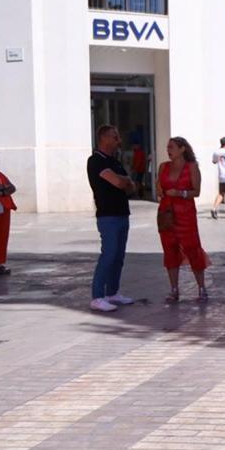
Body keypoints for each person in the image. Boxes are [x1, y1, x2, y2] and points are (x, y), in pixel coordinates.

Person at [87, 125, 136, 312]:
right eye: (115, 137)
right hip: (108, 215)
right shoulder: (96, 160)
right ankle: (97, 296)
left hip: (122, 213)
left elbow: (130, 186)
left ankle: (112, 292)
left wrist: (124, 181)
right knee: (108, 254)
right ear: (104, 138)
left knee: (118, 256)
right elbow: (118, 181)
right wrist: (124, 180)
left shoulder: (115, 161)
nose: (119, 140)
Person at [156, 137, 210, 302]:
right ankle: (174, 289)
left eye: (171, 147)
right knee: (169, 250)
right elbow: (159, 187)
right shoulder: (163, 166)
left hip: (185, 213)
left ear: (182, 149)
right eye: (167, 147)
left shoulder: (191, 167)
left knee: (192, 248)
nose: (168, 150)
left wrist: (180, 193)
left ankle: (201, 288)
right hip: (166, 213)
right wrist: (160, 190)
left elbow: (197, 191)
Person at [210, 137, 225, 220]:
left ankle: (214, 208)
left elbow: (214, 161)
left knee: (221, 193)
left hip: (222, 176)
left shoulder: (217, 152)